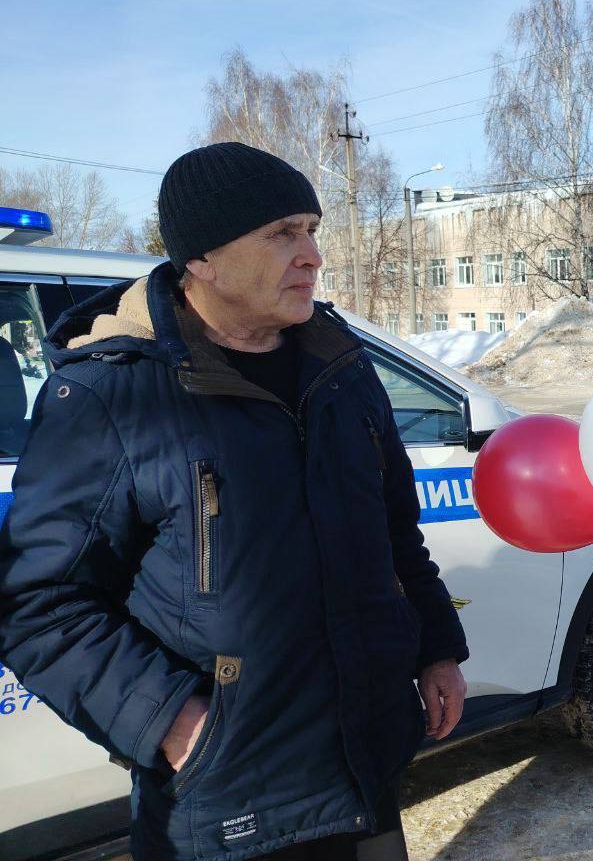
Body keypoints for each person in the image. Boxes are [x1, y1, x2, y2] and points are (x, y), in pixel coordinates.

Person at [0, 142, 469, 860]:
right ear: (202, 259)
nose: (312, 254)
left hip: (363, 769)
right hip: (224, 806)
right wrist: (173, 722)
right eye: (283, 233)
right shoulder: (112, 395)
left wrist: (437, 648)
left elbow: (395, 532)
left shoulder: (339, 368)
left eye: (312, 229)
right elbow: (39, 604)